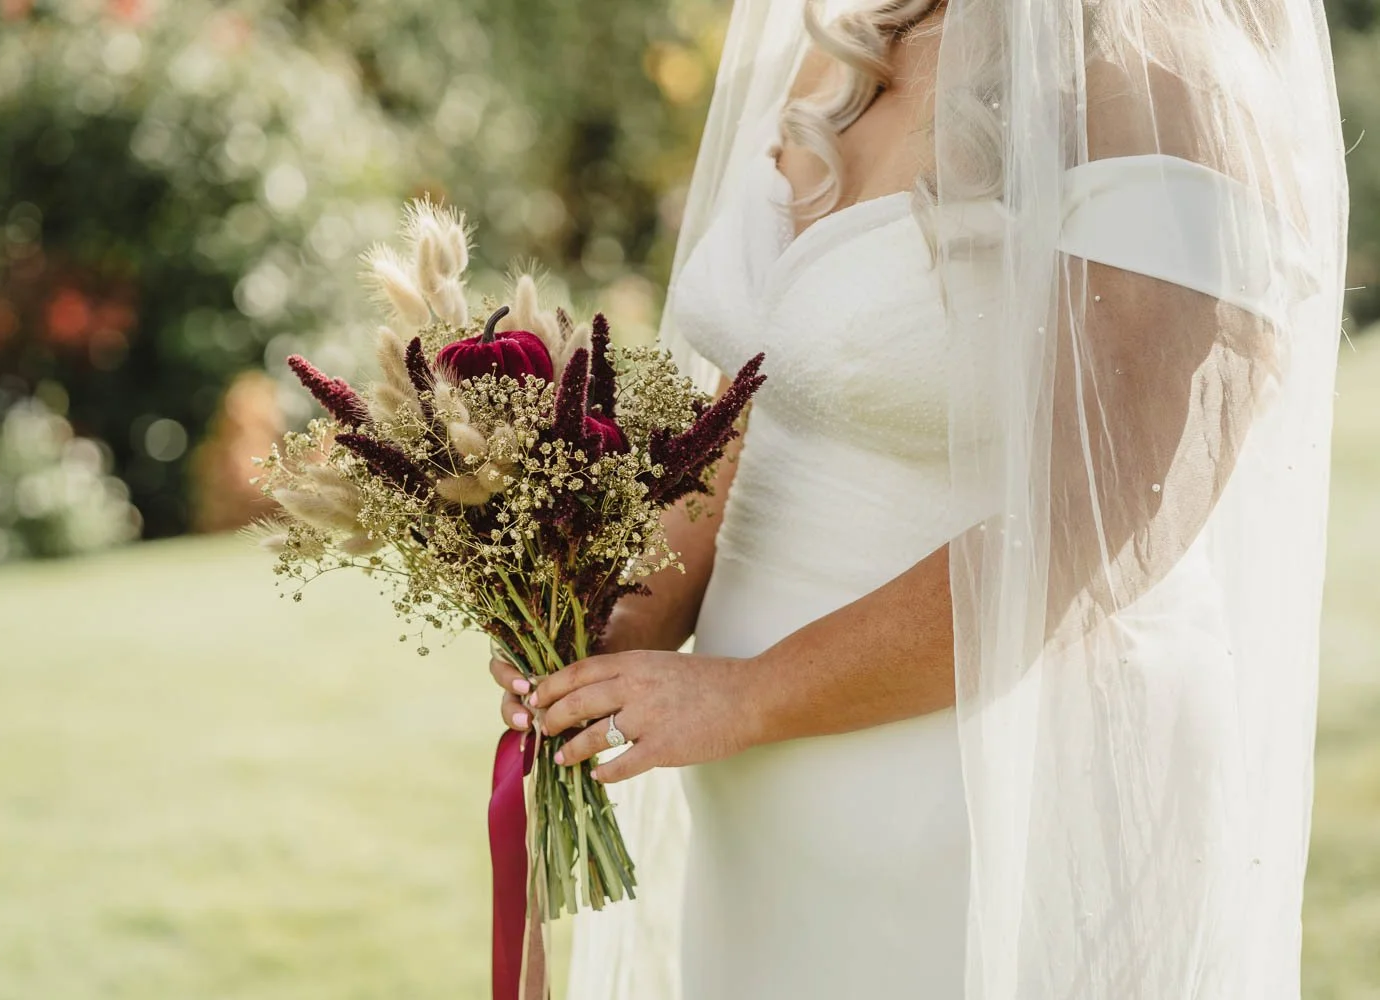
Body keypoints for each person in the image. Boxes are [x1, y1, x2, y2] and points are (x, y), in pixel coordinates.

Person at [490, 0, 1349, 996]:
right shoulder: (852, 45)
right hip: (764, 814)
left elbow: (1110, 516)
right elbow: (748, 422)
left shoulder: (1167, 84)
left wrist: (747, 696)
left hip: (990, 802)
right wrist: (609, 624)